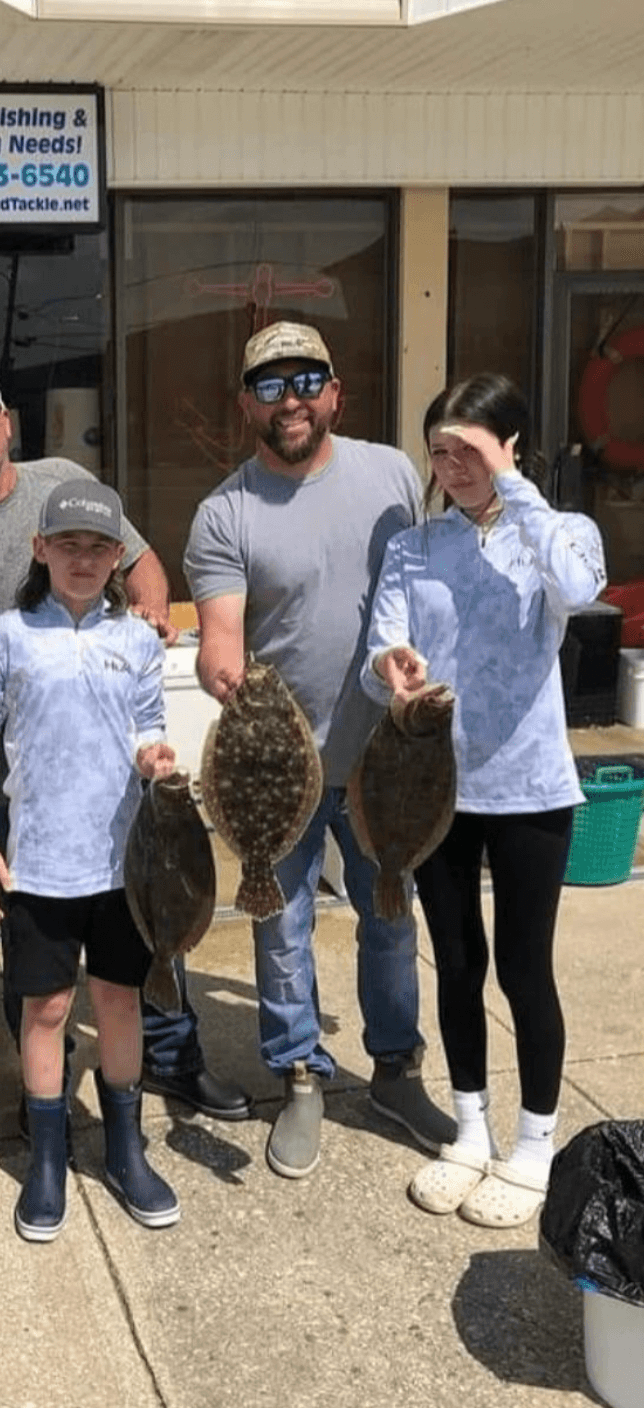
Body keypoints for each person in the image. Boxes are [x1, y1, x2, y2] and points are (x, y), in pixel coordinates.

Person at [0, 362, 250, 1125]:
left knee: (148, 914)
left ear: (5, 420)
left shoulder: (60, 480)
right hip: (24, 767)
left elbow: (141, 556)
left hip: (108, 759)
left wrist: (147, 615)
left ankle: (174, 1057)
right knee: (35, 967)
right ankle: (40, 1091)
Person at [184, 320, 457, 1181]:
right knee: (281, 925)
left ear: (337, 393)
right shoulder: (224, 511)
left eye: (307, 381)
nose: (290, 400)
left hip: (386, 758)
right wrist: (226, 677)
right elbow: (219, 640)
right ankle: (300, 1072)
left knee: (388, 923)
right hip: (280, 773)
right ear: (244, 406)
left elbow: (428, 587)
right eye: (269, 386)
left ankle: (396, 1072)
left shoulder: (393, 477)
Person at [362, 373, 604, 1228]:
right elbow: (380, 650)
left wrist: (516, 490)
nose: (452, 465)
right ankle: (469, 1128)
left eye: (470, 448)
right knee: (457, 965)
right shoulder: (414, 547)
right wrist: (393, 676)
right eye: (440, 450)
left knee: (524, 967)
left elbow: (577, 593)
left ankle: (534, 1142)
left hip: (532, 787)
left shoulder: (559, 531)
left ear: (510, 445)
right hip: (436, 787)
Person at [0, 479, 181, 1240]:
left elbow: (147, 723)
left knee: (119, 1001)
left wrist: (154, 755)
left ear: (120, 557)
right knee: (48, 1008)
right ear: (40, 549)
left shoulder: (135, 639)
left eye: (98, 548)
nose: (83, 560)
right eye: (68, 546)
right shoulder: (9, 634)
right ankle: (48, 1158)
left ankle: (126, 1146)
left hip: (124, 862)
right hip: (39, 863)